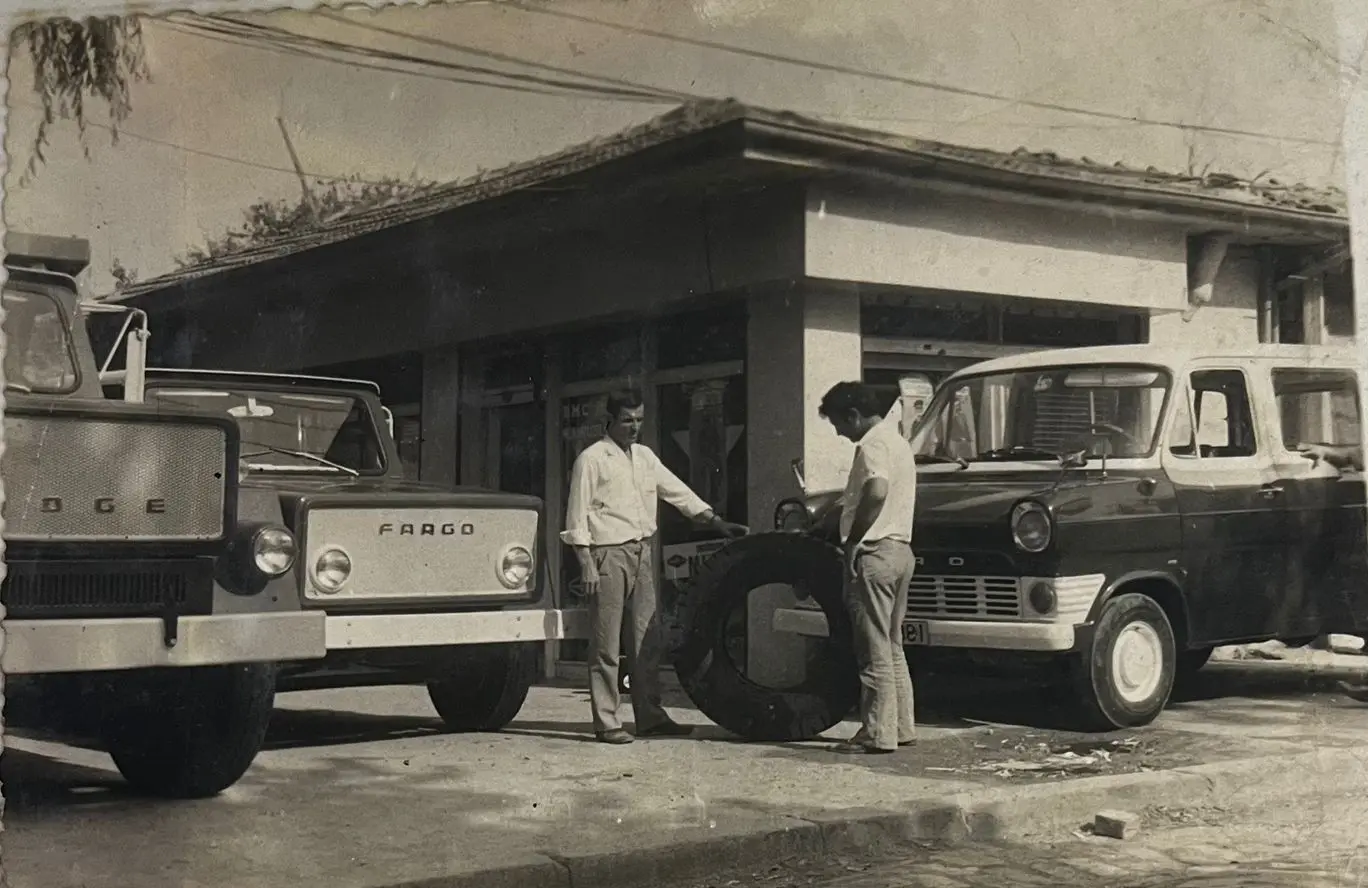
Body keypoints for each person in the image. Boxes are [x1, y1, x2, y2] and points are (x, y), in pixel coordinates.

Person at [562, 389, 749, 744]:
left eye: (639, 420)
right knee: (606, 643)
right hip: (607, 555)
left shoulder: (645, 457)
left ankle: (650, 718)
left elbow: (676, 491)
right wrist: (585, 561)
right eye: (626, 420)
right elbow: (576, 514)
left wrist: (715, 521)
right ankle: (607, 722)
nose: (634, 427)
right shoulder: (592, 459)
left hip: (642, 553)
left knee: (646, 640)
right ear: (610, 421)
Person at [818, 381, 920, 755]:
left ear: (854, 415)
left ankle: (876, 733)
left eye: (839, 424)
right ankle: (901, 726)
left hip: (874, 553)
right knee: (892, 643)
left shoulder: (872, 445)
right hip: (901, 551)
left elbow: (876, 491)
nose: (839, 433)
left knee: (872, 646)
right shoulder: (899, 442)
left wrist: (853, 540)